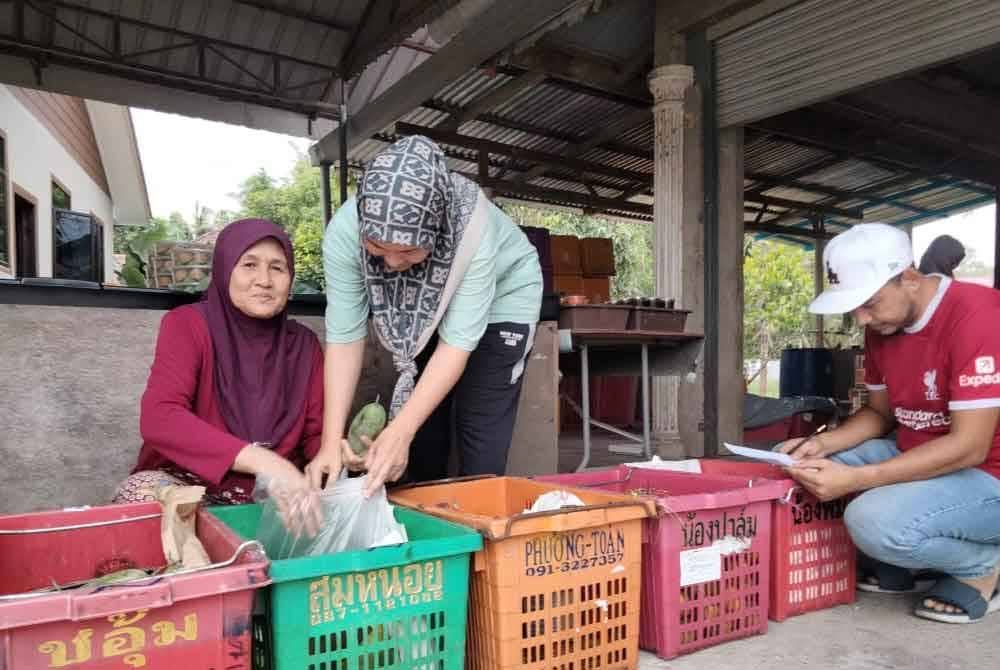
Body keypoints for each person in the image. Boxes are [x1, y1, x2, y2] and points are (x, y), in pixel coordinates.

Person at [778, 223, 1000, 624]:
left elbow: (970, 447)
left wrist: (860, 480)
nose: (861, 317)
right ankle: (907, 562)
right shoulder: (884, 325)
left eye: (870, 302)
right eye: (855, 307)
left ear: (910, 278)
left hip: (989, 474)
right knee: (807, 468)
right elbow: (880, 414)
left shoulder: (978, 317)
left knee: (871, 520)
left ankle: (982, 566)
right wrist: (823, 444)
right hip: (924, 452)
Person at [308, 135, 542, 496]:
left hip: (505, 297)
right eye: (377, 247)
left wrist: (400, 431)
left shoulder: (471, 233)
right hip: (430, 306)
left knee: (478, 427)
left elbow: (456, 345)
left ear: (436, 233)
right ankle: (430, 535)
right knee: (424, 430)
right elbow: (345, 337)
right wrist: (329, 442)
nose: (391, 262)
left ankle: (478, 530)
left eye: (408, 250)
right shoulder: (345, 231)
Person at [114, 219, 325, 505]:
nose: (264, 280)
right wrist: (264, 461)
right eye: (249, 265)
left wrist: (342, 453)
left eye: (277, 267)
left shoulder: (304, 345)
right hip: (190, 488)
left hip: (273, 499)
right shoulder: (187, 325)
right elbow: (160, 417)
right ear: (225, 270)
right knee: (143, 493)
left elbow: (316, 437)